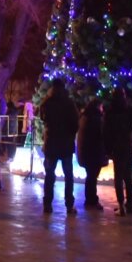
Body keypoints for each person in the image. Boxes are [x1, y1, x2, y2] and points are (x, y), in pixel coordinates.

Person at [102, 88, 132, 215]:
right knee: (128, 176)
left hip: (116, 147)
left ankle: (121, 205)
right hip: (128, 145)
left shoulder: (110, 111)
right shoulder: (130, 110)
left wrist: (107, 149)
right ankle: (130, 204)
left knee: (118, 176)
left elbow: (106, 132)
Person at [39, 79, 79, 215]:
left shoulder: (47, 102)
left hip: (51, 144)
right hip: (66, 144)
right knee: (68, 175)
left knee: (49, 175)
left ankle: (47, 204)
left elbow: (43, 118)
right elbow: (75, 123)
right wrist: (70, 134)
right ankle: (69, 205)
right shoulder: (69, 103)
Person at [76, 98, 106, 211]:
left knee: (90, 176)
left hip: (85, 153)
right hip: (93, 153)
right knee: (92, 177)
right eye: (101, 107)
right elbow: (100, 135)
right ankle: (91, 200)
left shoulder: (84, 117)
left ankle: (90, 199)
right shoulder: (96, 119)